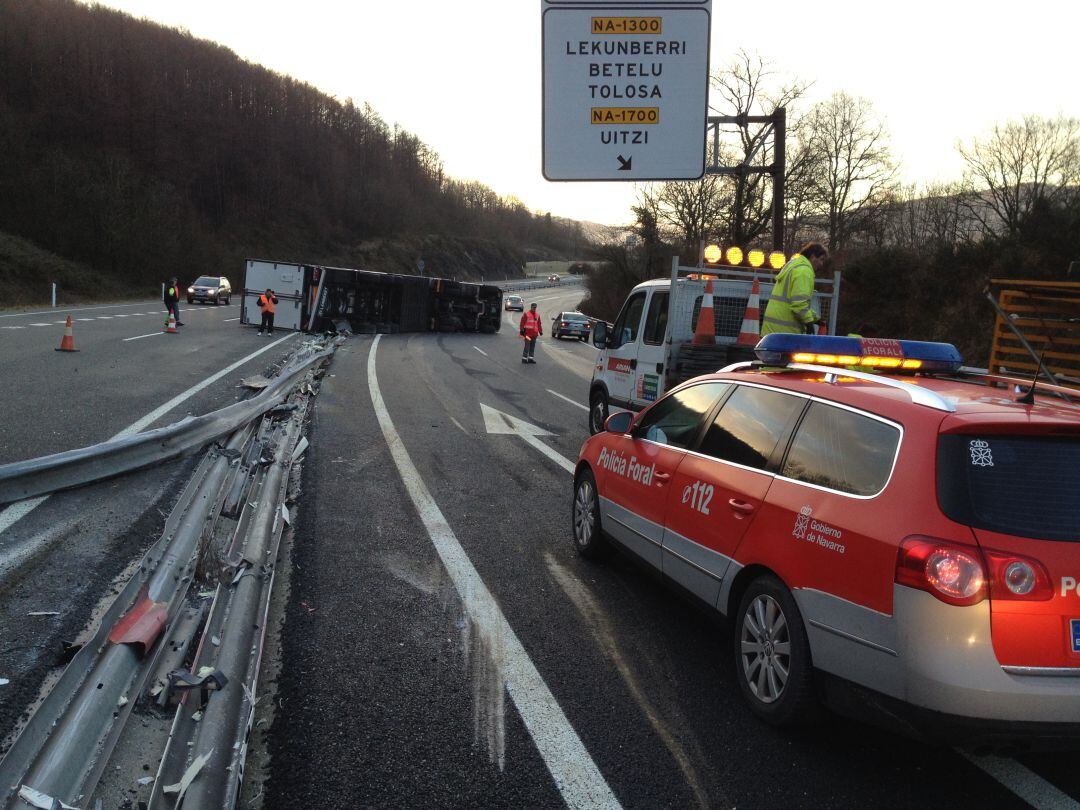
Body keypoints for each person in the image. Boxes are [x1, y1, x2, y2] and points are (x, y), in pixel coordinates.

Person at [761, 243, 828, 335]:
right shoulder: (804, 271)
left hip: (773, 331)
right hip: (786, 333)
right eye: (821, 259)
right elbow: (799, 305)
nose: (822, 264)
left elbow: (793, 302)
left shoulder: (793, 265)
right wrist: (809, 322)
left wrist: (816, 318)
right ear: (812, 256)